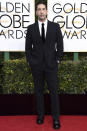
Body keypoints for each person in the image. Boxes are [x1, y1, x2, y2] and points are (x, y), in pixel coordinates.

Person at [25, 1, 63, 129]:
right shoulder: (31, 28)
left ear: (47, 11)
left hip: (51, 65)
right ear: (36, 12)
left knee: (53, 92)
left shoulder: (55, 26)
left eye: (43, 9)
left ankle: (56, 119)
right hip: (37, 66)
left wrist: (57, 59)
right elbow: (27, 48)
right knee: (39, 92)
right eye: (39, 9)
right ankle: (40, 116)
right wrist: (31, 62)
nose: (41, 11)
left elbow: (60, 45)